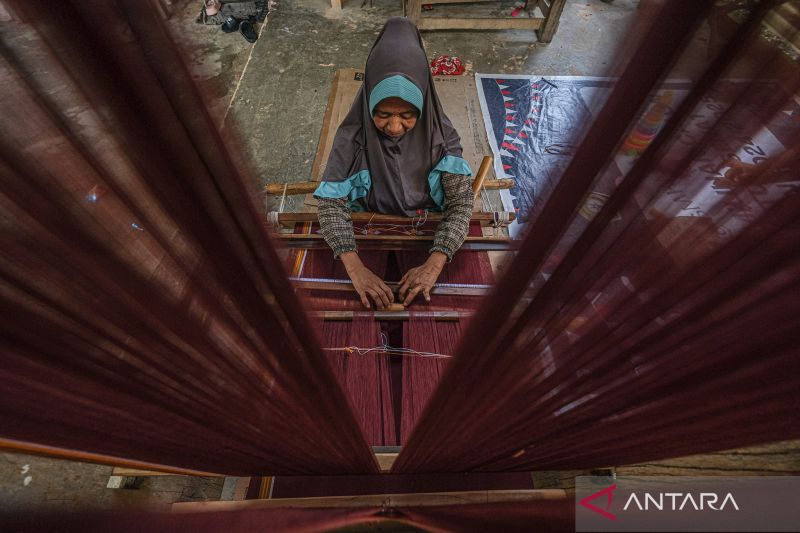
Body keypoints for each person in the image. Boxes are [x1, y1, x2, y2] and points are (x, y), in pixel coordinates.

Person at [314, 17, 474, 309]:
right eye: (384, 113)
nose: (395, 127)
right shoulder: (353, 137)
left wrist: (435, 264)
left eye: (408, 115)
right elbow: (330, 205)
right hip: (370, 223)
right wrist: (355, 268)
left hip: (426, 222)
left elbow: (460, 205)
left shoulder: (442, 139)